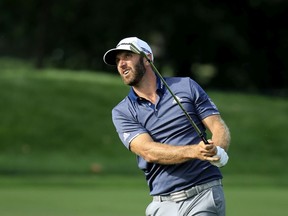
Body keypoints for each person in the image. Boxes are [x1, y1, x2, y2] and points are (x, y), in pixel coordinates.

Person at [103, 37, 231, 216]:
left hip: (204, 195)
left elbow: (217, 126)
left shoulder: (186, 86)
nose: (121, 64)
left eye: (127, 56)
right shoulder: (122, 111)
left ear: (147, 58)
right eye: (117, 61)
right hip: (162, 204)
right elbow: (148, 151)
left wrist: (218, 150)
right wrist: (196, 151)